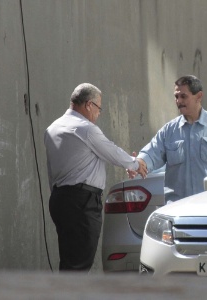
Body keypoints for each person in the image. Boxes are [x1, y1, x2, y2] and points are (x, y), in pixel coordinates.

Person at [44, 83, 147, 272]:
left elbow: (51, 170)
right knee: (80, 264)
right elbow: (111, 151)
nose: (99, 113)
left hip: (60, 199)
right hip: (82, 203)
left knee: (69, 260)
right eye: (99, 108)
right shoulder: (85, 128)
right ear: (89, 105)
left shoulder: (52, 128)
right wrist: (135, 164)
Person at [132, 75, 207, 202]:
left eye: (183, 96)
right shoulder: (169, 130)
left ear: (199, 96)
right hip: (178, 209)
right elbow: (151, 154)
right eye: (176, 97)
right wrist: (138, 163)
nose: (179, 101)